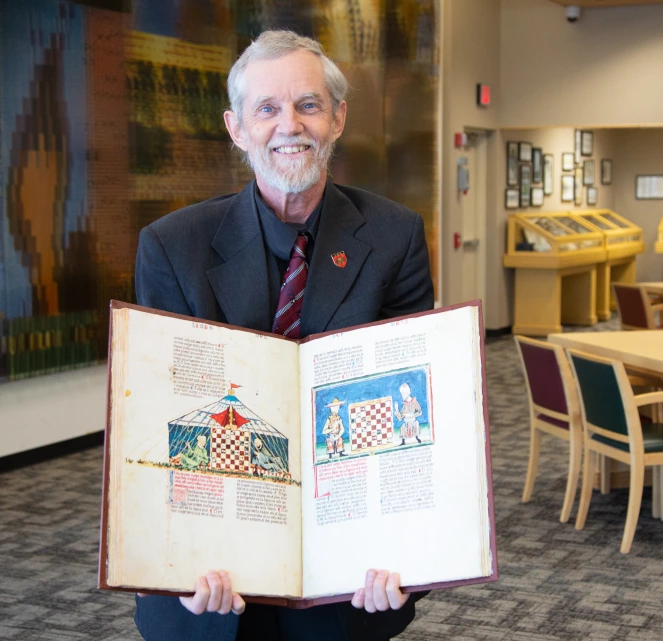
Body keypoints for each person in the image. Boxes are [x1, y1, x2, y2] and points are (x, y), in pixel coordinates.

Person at [133, 29, 433, 641]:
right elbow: (160, 414)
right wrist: (175, 556)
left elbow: (413, 409)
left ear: (338, 118)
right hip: (211, 553)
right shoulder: (171, 246)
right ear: (236, 128)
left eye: (309, 105)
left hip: (347, 554)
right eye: (267, 108)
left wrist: (405, 545)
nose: (289, 125)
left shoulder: (394, 235)